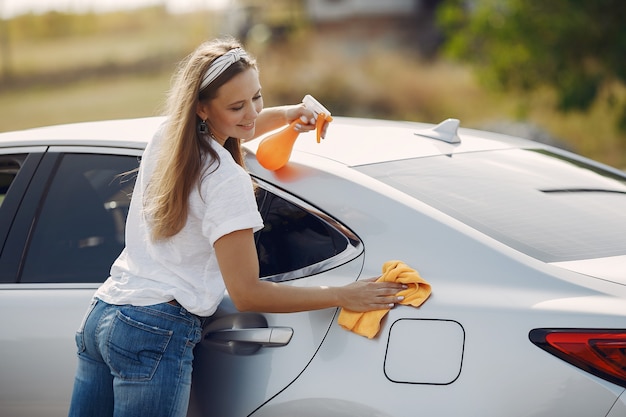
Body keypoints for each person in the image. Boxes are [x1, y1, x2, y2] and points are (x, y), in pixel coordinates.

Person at [67, 37, 405, 417]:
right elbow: (247, 294)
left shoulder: (167, 138)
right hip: (154, 328)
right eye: (236, 105)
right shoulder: (225, 179)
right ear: (202, 109)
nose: (251, 112)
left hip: (103, 313)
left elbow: (235, 127)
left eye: (256, 98)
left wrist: (288, 114)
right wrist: (343, 295)